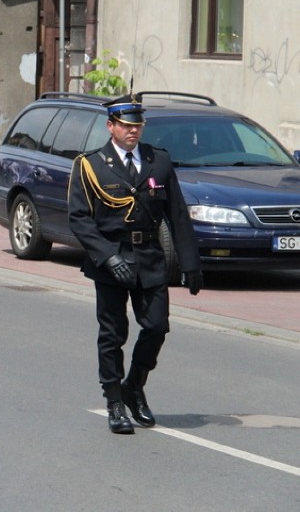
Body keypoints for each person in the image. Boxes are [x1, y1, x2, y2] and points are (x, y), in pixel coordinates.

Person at [67, 93, 203, 434]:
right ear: (110, 126)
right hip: (110, 257)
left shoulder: (158, 161)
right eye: (127, 125)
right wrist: (109, 257)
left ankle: (134, 385)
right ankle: (114, 400)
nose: (133, 131)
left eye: (138, 125)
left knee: (157, 326)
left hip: (150, 257)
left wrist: (191, 263)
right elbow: (80, 219)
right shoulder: (91, 165)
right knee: (113, 334)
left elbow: (176, 216)